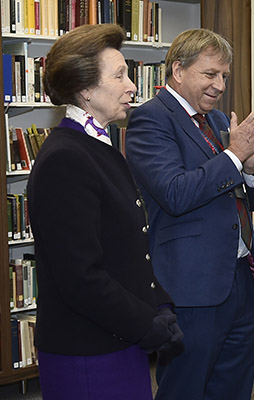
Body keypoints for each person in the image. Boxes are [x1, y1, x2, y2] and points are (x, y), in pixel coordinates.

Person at [26, 24, 183, 400]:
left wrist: (159, 303)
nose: (132, 86)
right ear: (85, 90)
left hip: (118, 338)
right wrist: (147, 324)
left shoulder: (99, 146)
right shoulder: (65, 159)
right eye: (120, 75)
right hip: (87, 352)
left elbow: (126, 247)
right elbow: (80, 277)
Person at [125, 28, 254, 399]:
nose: (220, 85)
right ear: (178, 70)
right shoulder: (151, 120)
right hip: (192, 286)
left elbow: (249, 200)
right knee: (186, 388)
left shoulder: (220, 123)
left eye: (224, 76)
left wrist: (251, 167)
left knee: (233, 387)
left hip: (240, 280)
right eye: (210, 74)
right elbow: (176, 193)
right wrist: (233, 157)